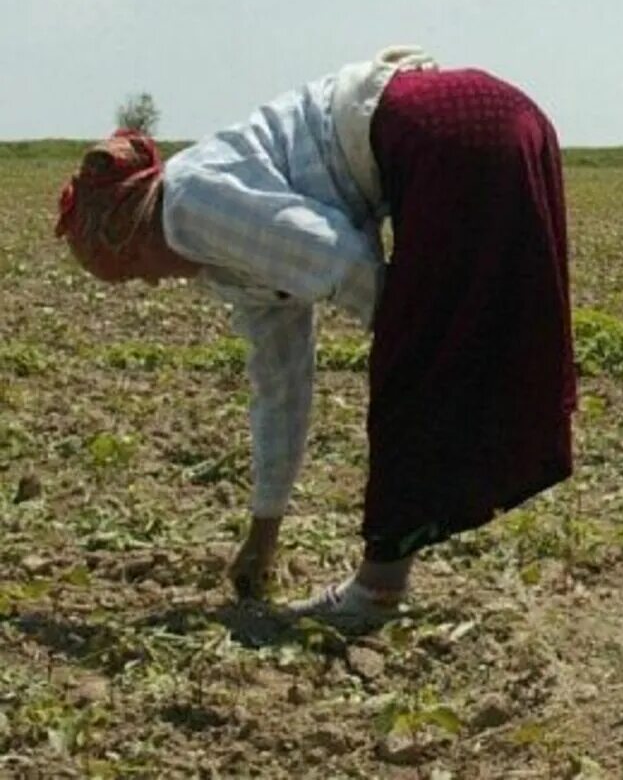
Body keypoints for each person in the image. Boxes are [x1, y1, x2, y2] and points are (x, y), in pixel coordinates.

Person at [55, 48, 577, 625]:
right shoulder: (220, 254)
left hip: (457, 134)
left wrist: (414, 352)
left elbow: (344, 263)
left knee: (414, 370)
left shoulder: (190, 206)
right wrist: (263, 532)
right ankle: (388, 578)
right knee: (433, 360)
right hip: (488, 124)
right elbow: (281, 387)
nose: (149, 283)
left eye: (133, 269)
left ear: (131, 232)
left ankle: (376, 593)